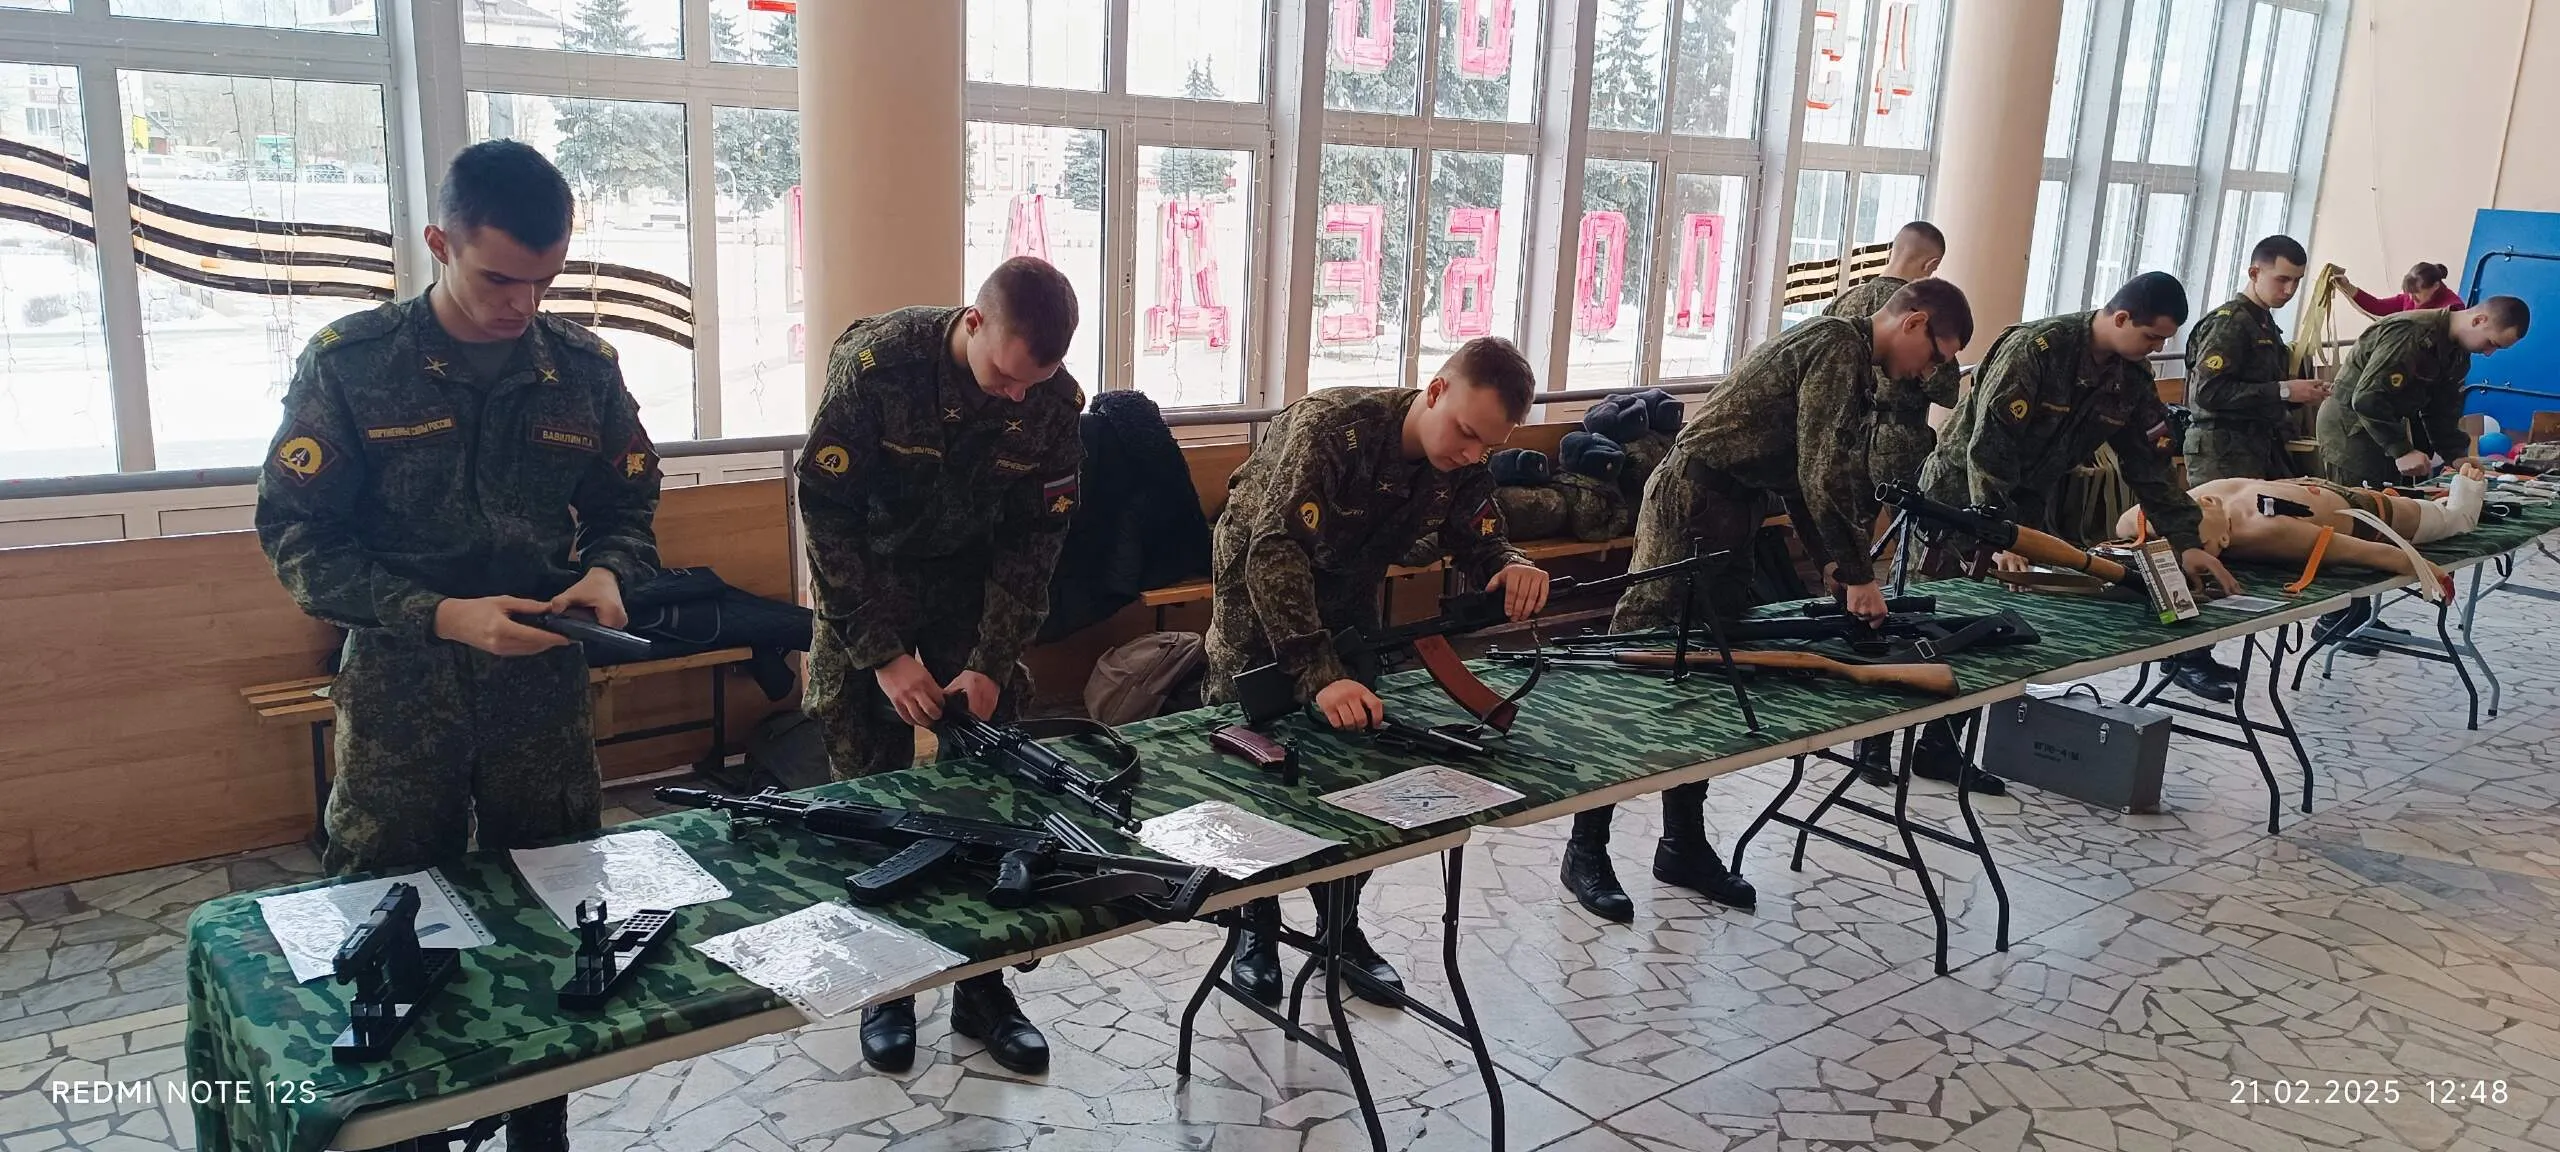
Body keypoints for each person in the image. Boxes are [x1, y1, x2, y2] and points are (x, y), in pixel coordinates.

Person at [255, 140, 659, 1152]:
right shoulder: (354, 364)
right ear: (439, 243)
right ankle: (408, 1128)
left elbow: (628, 501)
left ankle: (539, 1122)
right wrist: (441, 614)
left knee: (556, 906)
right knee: (391, 911)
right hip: (402, 687)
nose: (523, 305)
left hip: (540, 688)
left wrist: (609, 571)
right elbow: (299, 541)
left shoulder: (581, 369)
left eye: (545, 282)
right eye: (499, 279)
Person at [1556, 279, 1973, 923]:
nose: (1930, 372)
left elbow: (1801, 476)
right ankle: (1585, 848)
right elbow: (1822, 473)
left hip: (1733, 510)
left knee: (1709, 674)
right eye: (1936, 355)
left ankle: (1682, 846)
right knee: (1635, 668)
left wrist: (1832, 561)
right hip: (1692, 503)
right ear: (1913, 322)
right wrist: (1859, 573)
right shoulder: (1838, 346)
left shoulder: (1853, 361)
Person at [798, 256, 1086, 1076]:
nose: (1016, 398)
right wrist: (883, 655)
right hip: (868, 582)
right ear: (973, 321)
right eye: (1005, 377)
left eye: (1034, 383)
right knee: (869, 791)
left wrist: (992, 661)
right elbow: (825, 513)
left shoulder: (1052, 401)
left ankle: (983, 989)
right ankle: (887, 986)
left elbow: (1036, 540)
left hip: (970, 586)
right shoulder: (878, 367)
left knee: (989, 793)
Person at [1206, 338, 1553, 1004]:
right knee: (1256, 763)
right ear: (1435, 391)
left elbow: (1479, 537)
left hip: (1347, 594)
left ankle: (1340, 926)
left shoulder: (1463, 458)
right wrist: (1318, 672)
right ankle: (1255, 922)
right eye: (1466, 433)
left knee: (1357, 764)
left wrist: (1510, 565)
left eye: (1487, 445)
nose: (1471, 454)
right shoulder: (1335, 428)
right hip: (1260, 593)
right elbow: (1274, 550)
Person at [1914, 272, 2243, 789]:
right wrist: (1995, 536)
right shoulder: (2037, 349)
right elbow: (1988, 451)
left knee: (1992, 634)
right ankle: (1872, 749)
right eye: (2151, 336)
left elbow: (2151, 470)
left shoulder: (2130, 379)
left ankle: (1937, 747)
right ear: (2121, 317)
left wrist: (2187, 543)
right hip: (1959, 504)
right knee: (1925, 623)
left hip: (2022, 511)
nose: (2156, 348)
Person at [2168, 235, 2331, 701]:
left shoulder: (2263, 323)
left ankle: (2202, 648)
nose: (2289, 290)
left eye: (2296, 282)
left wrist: (2292, 395)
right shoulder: (2230, 323)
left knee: (2240, 546)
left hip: (2255, 447)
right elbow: (2207, 394)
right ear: (2254, 273)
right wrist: (2284, 391)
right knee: (2210, 545)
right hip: (2220, 449)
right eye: (2281, 279)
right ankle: (2183, 657)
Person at [2310, 295, 2527, 645]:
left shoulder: (2456, 353)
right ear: (2479, 320)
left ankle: (2361, 618)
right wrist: (2401, 450)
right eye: (2491, 343)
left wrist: (2457, 456)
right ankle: (2335, 622)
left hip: (2383, 431)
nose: (2489, 353)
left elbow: (2441, 410)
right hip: (2352, 432)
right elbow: (2367, 398)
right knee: (2356, 522)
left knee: (2380, 523)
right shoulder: (2410, 333)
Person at [2113, 464, 2489, 575]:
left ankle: (2449, 496)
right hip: (2369, 514)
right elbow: (2378, 554)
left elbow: (2125, 524)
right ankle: (2464, 493)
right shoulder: (2263, 532)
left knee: (2449, 516)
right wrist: (2431, 574)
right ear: (2224, 544)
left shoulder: (2184, 505)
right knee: (2456, 519)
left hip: (2308, 487)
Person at [1822, 221, 1964, 493]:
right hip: (1900, 444)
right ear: (1931, 264)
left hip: (1845, 440)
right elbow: (1947, 391)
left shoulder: (1842, 303)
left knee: (1847, 518)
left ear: (1892, 251)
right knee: (1904, 517)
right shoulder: (1925, 314)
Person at [2336, 261, 2463, 318]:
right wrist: (2347, 286)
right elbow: (2378, 306)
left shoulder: (2453, 308)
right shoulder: (2409, 299)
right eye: (2409, 293)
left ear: (2435, 286)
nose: (2411, 298)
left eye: (2416, 293)